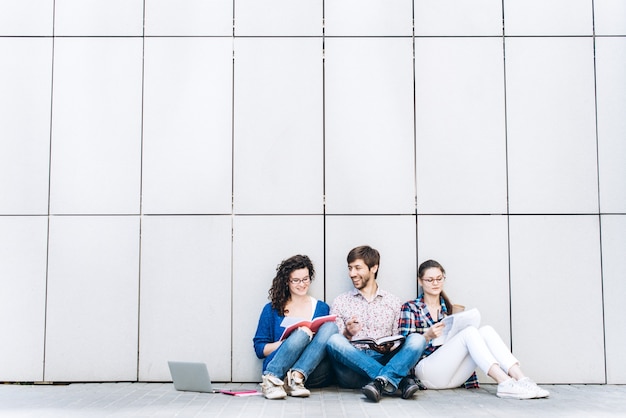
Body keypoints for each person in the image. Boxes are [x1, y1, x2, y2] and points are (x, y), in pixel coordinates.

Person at [398, 259, 550, 399]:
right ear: (420, 281)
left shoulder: (449, 310)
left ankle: (522, 379)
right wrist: (426, 336)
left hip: (452, 376)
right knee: (469, 333)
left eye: (439, 278)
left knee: (486, 331)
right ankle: (504, 382)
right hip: (426, 373)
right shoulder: (411, 308)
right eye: (429, 280)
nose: (435, 283)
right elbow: (403, 351)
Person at [326, 245, 426, 403]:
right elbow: (336, 347)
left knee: (417, 339)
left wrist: (389, 347)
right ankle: (396, 380)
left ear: (374, 268)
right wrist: (347, 333)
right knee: (333, 340)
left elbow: (398, 339)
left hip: (383, 358)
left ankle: (380, 382)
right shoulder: (340, 301)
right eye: (350, 268)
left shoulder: (393, 301)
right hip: (352, 372)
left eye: (358, 268)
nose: (352, 274)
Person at [253, 254, 338, 400]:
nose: (302, 284)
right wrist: (289, 343)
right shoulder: (272, 309)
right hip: (279, 367)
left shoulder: (322, 307)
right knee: (302, 333)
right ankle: (271, 378)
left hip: (309, 373)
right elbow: (260, 349)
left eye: (305, 279)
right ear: (287, 281)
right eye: (296, 280)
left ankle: (296, 377)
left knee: (331, 327)